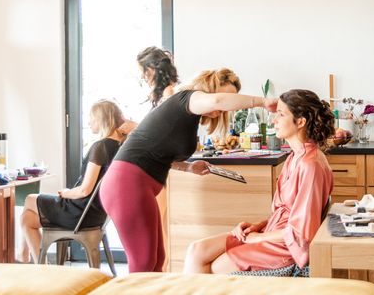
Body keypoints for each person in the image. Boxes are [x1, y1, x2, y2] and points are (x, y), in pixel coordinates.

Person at [100, 68, 278, 273]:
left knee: (157, 259)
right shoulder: (188, 98)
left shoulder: (188, 115)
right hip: (127, 183)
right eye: (227, 96)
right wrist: (264, 101)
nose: (223, 108)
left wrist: (189, 167)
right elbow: (218, 101)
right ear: (210, 89)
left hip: (135, 183)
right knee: (143, 262)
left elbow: (159, 154)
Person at [183, 89, 334, 274]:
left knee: (216, 268)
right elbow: (287, 212)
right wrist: (258, 226)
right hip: (273, 233)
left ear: (300, 121)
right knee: (196, 250)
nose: (274, 120)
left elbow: (302, 233)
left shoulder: (311, 165)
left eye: (280, 114)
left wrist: (256, 238)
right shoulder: (294, 157)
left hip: (286, 247)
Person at [17, 100, 126, 263]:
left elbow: (84, 190)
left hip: (81, 213)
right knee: (26, 218)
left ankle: (30, 260)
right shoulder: (120, 146)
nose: (89, 122)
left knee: (29, 198)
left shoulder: (100, 147)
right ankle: (33, 261)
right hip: (98, 214)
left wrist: (67, 193)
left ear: (101, 119)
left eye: (91, 118)